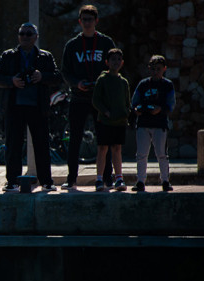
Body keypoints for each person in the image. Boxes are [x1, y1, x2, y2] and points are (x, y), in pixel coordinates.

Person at [0, 22, 62, 193]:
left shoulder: (45, 57)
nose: (24, 37)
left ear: (35, 37)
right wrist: (12, 81)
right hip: (14, 106)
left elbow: (57, 77)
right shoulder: (8, 56)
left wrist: (41, 76)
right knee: (13, 145)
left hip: (38, 107)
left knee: (42, 145)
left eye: (28, 34)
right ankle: (12, 182)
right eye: (22, 33)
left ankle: (46, 181)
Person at [60, 5, 115, 190]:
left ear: (96, 21)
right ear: (80, 22)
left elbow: (114, 67)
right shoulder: (72, 45)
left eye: (90, 19)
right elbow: (65, 72)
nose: (87, 22)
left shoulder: (106, 43)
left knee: (104, 140)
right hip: (78, 98)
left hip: (100, 99)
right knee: (75, 140)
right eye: (84, 19)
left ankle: (108, 177)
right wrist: (77, 83)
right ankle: (71, 178)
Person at [131, 55, 176, 192]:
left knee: (162, 153)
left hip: (159, 123)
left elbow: (171, 104)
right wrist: (137, 109)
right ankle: (140, 181)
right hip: (143, 123)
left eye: (158, 69)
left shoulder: (167, 85)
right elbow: (135, 102)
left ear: (164, 69)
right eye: (153, 69)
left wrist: (161, 109)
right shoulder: (143, 84)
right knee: (141, 154)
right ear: (149, 69)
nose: (155, 71)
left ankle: (165, 180)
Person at [92, 48, 131, 191]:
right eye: (113, 59)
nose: (116, 62)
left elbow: (127, 102)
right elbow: (96, 100)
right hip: (105, 121)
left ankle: (119, 178)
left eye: (118, 59)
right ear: (107, 62)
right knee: (102, 148)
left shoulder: (124, 82)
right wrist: (106, 112)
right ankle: (99, 179)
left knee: (117, 148)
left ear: (122, 62)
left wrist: (126, 112)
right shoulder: (102, 80)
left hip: (119, 121)